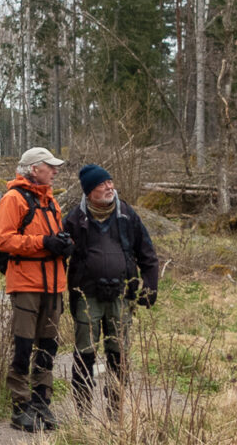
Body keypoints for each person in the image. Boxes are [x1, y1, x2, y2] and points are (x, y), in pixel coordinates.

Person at [60, 164, 162, 419]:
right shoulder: (74, 219)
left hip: (121, 296)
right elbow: (58, 257)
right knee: (85, 354)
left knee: (119, 355)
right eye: (102, 184)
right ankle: (83, 413)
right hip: (86, 295)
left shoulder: (127, 215)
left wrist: (150, 287)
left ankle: (115, 410)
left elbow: (148, 255)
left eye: (110, 182)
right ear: (88, 191)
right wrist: (55, 292)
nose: (109, 187)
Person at [0, 146, 72, 431]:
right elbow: (3, 241)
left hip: (53, 284)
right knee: (24, 346)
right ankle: (20, 406)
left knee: (48, 347)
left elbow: (52, 237)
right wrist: (43, 243)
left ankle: (42, 403)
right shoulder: (13, 199)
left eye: (54, 167)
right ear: (34, 168)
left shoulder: (51, 201)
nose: (55, 171)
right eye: (49, 166)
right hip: (26, 283)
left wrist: (64, 246)